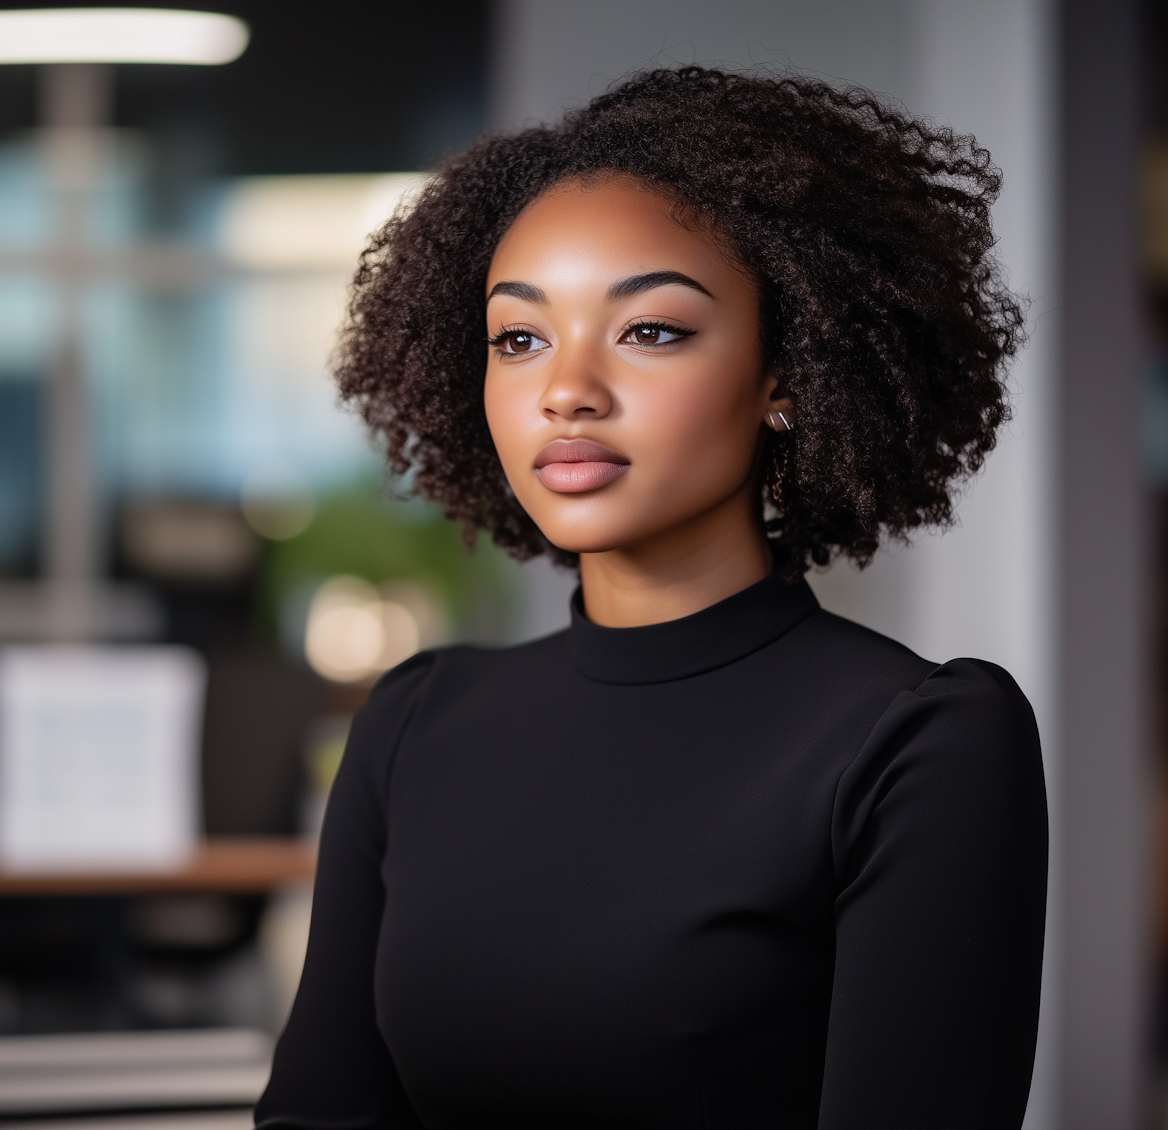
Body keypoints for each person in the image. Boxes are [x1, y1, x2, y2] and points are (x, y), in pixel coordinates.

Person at [255, 66, 1047, 1130]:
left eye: (652, 329)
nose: (566, 389)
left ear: (787, 375)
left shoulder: (922, 741)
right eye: (519, 337)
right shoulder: (415, 720)